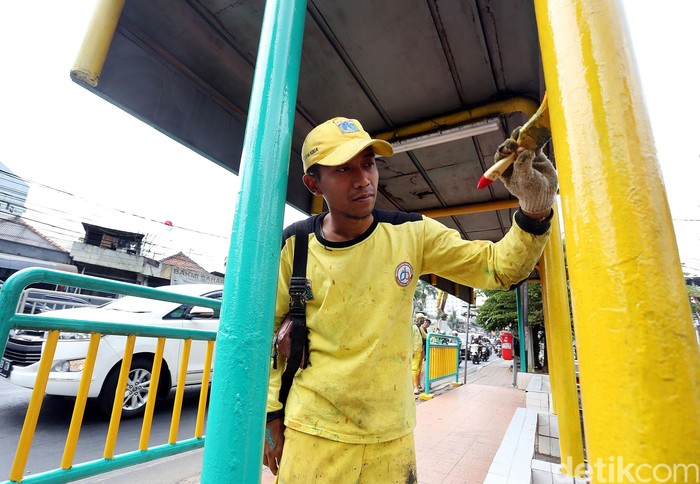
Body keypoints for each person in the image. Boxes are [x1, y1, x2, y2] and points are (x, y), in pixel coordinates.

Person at [263, 116, 557, 481]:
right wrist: (270, 416)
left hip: (390, 434)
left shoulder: (411, 233)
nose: (363, 179)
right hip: (313, 430)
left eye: (368, 164)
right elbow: (268, 333)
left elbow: (497, 268)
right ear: (314, 183)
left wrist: (535, 209)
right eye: (343, 169)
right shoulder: (296, 245)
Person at [411, 314, 426, 394]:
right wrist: (411, 351)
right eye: (422, 319)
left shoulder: (420, 328)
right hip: (415, 351)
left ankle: (417, 385)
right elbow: (410, 340)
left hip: (420, 351)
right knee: (415, 369)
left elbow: (425, 336)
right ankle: (415, 387)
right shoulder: (413, 328)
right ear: (418, 319)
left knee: (419, 369)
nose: (423, 321)